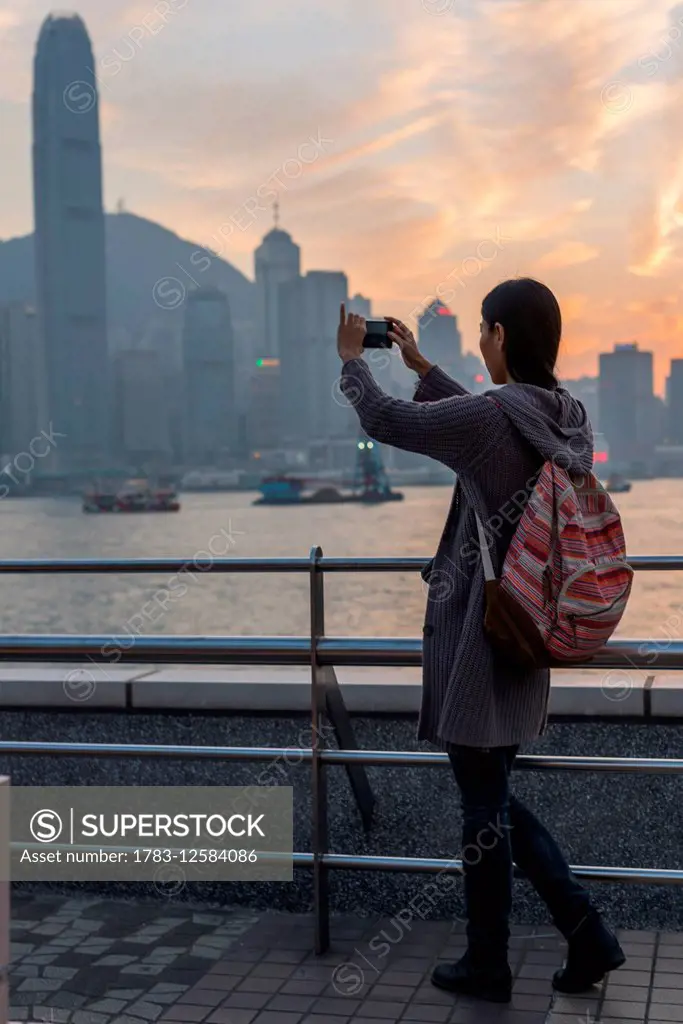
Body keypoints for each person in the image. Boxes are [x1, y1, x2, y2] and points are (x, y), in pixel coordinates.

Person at [337, 278, 626, 1005]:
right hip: (532, 625)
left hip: (482, 634)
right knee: (491, 795)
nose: (476, 340)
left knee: (480, 805)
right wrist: (423, 366)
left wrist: (353, 360)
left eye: (481, 330)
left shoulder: (494, 419)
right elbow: (486, 418)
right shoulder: (565, 417)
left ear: (499, 336)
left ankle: (490, 961)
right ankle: (582, 931)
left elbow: (386, 419)